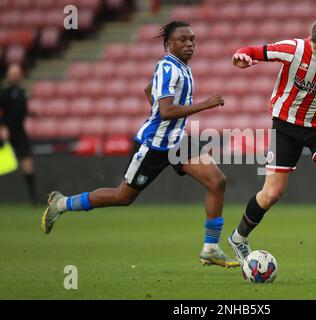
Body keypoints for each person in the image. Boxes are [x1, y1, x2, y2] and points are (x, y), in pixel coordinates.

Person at [41, 21, 239, 268]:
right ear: (168, 44)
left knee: (217, 180)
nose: (189, 44)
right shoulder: (169, 68)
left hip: (176, 143)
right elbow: (166, 111)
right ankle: (62, 203)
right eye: (183, 40)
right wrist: (205, 104)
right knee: (122, 196)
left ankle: (210, 249)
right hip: (153, 147)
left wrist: (161, 117)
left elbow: (149, 90)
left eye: (192, 40)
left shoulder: (183, 68)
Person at [227, 18, 316, 282]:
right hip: (285, 125)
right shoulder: (293, 49)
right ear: (309, 41)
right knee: (271, 194)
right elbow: (253, 51)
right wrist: (241, 57)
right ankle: (238, 238)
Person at [0, 63, 39, 204]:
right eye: (13, 73)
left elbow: (19, 111)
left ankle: (34, 197)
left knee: (27, 163)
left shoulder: (21, 92)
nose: (15, 76)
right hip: (6, 133)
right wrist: (2, 127)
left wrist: (30, 113)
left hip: (19, 132)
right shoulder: (4, 93)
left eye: (17, 73)